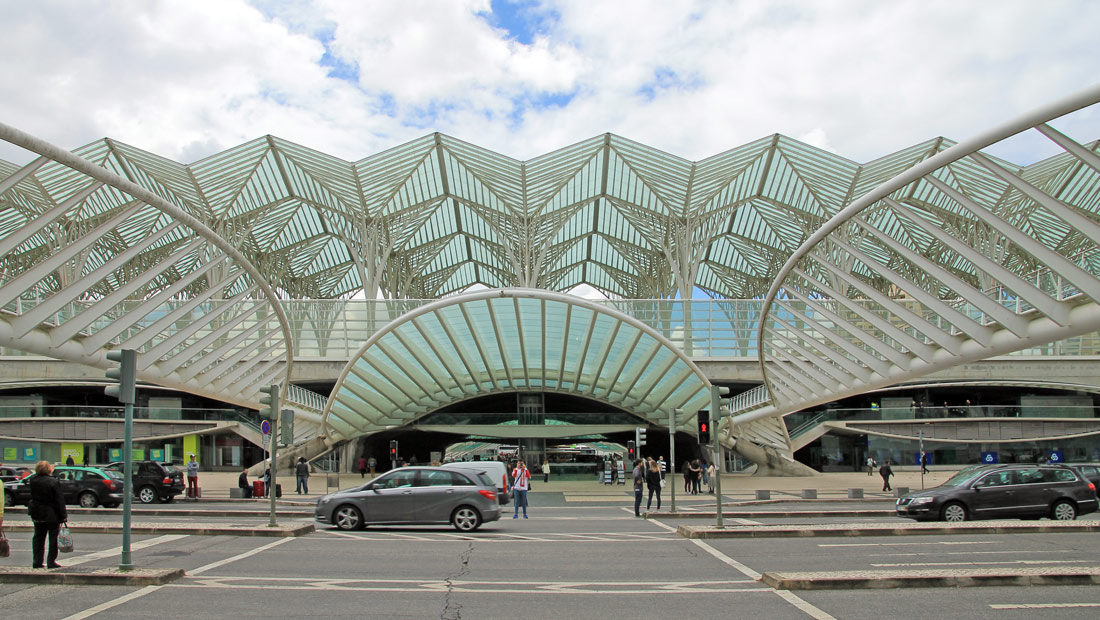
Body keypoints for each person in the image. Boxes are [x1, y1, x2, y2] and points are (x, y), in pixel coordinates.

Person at [28, 460, 67, 569]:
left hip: (37, 512)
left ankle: (37, 561)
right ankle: (51, 561)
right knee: (53, 538)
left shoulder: (33, 480)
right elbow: (59, 499)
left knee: (38, 537)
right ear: (48, 469)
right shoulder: (53, 482)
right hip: (51, 513)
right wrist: (63, 515)